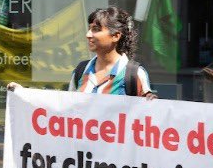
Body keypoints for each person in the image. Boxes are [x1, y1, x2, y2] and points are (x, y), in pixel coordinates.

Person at [8, 7, 157, 99]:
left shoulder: (134, 74)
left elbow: (148, 120)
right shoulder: (81, 71)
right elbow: (64, 108)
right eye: (89, 28)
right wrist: (24, 95)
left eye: (96, 29)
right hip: (82, 151)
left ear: (116, 36)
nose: (88, 34)